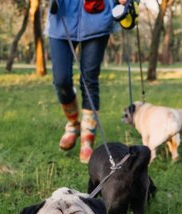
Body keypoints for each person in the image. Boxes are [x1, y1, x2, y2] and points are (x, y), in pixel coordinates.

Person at [47, 0, 127, 164]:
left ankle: (87, 139)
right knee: (61, 80)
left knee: (89, 79)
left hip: (97, 16)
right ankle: (73, 124)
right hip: (62, 16)